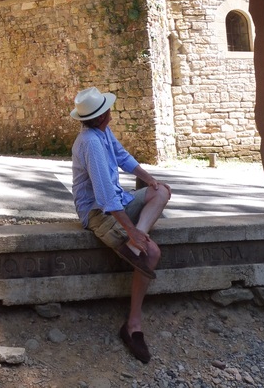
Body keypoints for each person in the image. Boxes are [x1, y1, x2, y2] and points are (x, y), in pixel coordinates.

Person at [70, 86, 171, 363]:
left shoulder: (102, 132)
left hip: (118, 201)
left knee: (161, 191)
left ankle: (134, 241)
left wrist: (148, 178)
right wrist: (131, 230)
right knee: (151, 253)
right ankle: (133, 326)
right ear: (103, 115)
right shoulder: (89, 142)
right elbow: (104, 198)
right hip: (97, 212)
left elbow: (123, 156)